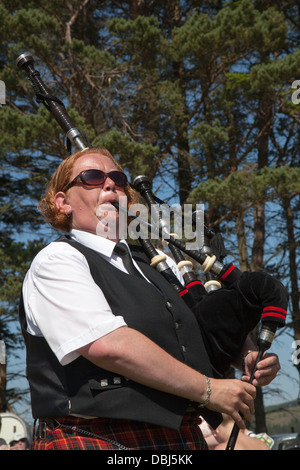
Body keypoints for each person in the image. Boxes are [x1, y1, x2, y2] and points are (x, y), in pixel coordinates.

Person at [19, 147, 282, 450]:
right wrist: (210, 390)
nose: (110, 184)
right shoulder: (58, 260)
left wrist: (245, 356)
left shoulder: (156, 264)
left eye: (117, 178)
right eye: (92, 177)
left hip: (179, 437)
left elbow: (199, 331)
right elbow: (109, 345)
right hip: (94, 437)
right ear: (62, 203)